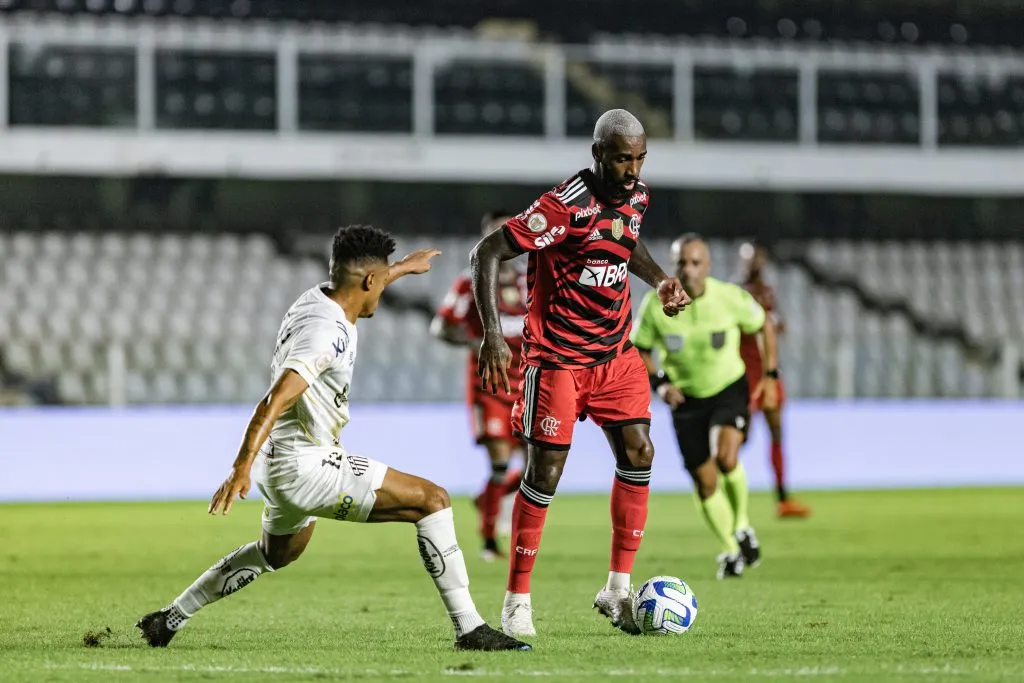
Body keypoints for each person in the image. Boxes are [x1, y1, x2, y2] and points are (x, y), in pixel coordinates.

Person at [135, 225, 531, 652]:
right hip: (303, 464)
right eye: (380, 281)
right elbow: (276, 397)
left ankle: (169, 618)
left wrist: (397, 269)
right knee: (432, 500)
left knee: (278, 553)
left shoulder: (318, 297)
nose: (379, 292)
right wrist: (238, 468)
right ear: (367, 282)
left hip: (280, 462)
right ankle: (471, 628)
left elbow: (362, 282)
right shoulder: (326, 334)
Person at [470, 109, 689, 637]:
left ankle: (617, 589)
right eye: (622, 158)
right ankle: (517, 599)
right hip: (558, 361)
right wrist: (494, 335)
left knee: (640, 453)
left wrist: (659, 280)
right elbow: (489, 250)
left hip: (614, 356)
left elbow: (626, 239)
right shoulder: (563, 207)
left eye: (639, 158)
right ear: (597, 155)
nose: (632, 169)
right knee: (545, 474)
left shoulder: (636, 196)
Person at [633, 234, 776, 579]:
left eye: (696, 262)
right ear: (672, 266)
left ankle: (741, 525)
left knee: (726, 456)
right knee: (705, 483)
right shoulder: (656, 305)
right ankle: (730, 549)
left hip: (728, 388)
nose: (689, 269)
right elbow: (638, 349)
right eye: (682, 262)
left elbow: (764, 325)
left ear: (708, 266)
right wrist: (661, 384)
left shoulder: (729, 298)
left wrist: (770, 374)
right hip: (686, 400)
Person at [431, 209, 527, 561]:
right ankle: (489, 540)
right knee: (500, 464)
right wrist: (477, 342)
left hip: (527, 383)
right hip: (489, 384)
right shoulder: (468, 280)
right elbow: (441, 327)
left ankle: (488, 498)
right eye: (494, 234)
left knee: (541, 466)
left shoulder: (528, 280)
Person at [737, 242, 811, 519]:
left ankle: (783, 499)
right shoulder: (737, 294)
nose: (752, 264)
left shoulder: (767, 292)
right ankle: (720, 487)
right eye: (748, 259)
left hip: (769, 372)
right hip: (743, 375)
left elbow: (778, 325)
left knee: (777, 433)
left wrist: (776, 323)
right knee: (739, 437)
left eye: (756, 258)